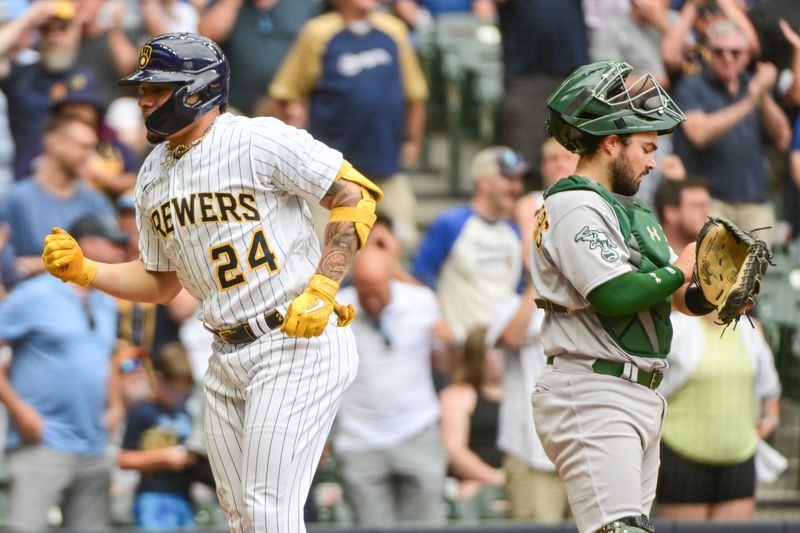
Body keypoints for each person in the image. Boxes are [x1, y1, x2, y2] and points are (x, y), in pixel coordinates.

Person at [41, 32, 382, 533]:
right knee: (241, 517)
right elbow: (161, 283)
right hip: (224, 354)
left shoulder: (255, 137)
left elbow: (356, 193)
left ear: (197, 89)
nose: (144, 98)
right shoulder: (152, 172)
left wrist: (324, 287)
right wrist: (89, 271)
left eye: (157, 87)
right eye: (144, 88)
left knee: (269, 510)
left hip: (294, 340)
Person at [528, 59, 705, 533]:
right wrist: (680, 269)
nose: (653, 161)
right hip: (591, 388)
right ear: (611, 142)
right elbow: (613, 293)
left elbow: (674, 295)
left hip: (636, 392)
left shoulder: (631, 211)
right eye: (646, 147)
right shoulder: (572, 204)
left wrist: (712, 294)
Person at [653, 177, 782, 520]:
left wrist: (765, 422)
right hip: (681, 458)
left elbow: (770, 390)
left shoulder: (751, 333)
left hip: (738, 461)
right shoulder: (674, 326)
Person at [266, 0, 428, 252]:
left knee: (403, 245)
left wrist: (413, 140)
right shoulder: (318, 32)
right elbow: (282, 92)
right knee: (323, 250)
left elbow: (415, 93)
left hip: (385, 164)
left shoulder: (394, 30)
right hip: (331, 173)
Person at [0, 213, 128, 531]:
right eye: (113, 245)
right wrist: (19, 410)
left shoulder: (106, 301)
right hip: (42, 440)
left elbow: (108, 356)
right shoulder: (34, 294)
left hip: (94, 444)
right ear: (87, 245)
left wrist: (116, 407)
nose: (120, 253)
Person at [332, 247, 449, 526]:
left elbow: (445, 366)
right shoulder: (337, 310)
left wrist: (448, 343)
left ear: (392, 281)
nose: (371, 300)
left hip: (416, 430)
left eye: (378, 291)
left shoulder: (421, 302)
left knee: (427, 526)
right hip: (359, 438)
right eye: (364, 291)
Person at [671, 18, 791, 248]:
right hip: (710, 202)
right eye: (719, 52)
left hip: (755, 202)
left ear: (746, 55)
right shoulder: (692, 85)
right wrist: (750, 101)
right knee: (713, 278)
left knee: (757, 280)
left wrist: (763, 96)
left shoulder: (753, 85)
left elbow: (783, 137)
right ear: (707, 52)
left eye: (735, 52)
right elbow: (699, 133)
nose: (727, 58)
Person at [412, 146, 524, 342]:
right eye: (509, 179)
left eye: (519, 180)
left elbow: (518, 290)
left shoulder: (515, 232)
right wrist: (437, 320)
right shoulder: (452, 224)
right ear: (484, 183)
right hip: (460, 350)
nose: (517, 187)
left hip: (501, 354)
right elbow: (421, 278)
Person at [0, 114, 115, 280]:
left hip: (94, 300)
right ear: (54, 143)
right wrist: (68, 261)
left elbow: (115, 257)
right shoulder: (17, 200)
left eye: (93, 148)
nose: (91, 156)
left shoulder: (97, 201)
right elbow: (8, 266)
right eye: (84, 147)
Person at [118, 342, 199, 531]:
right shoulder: (142, 412)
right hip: (153, 498)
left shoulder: (185, 411)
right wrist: (164, 458)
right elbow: (124, 459)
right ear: (159, 379)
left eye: (184, 391)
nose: (180, 397)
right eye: (175, 391)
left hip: (184, 496)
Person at [439, 325, 505, 520]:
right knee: (471, 494)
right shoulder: (458, 395)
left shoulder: (525, 393)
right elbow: (453, 449)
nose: (502, 356)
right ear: (478, 357)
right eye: (495, 350)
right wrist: (497, 479)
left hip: (521, 476)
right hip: (476, 480)